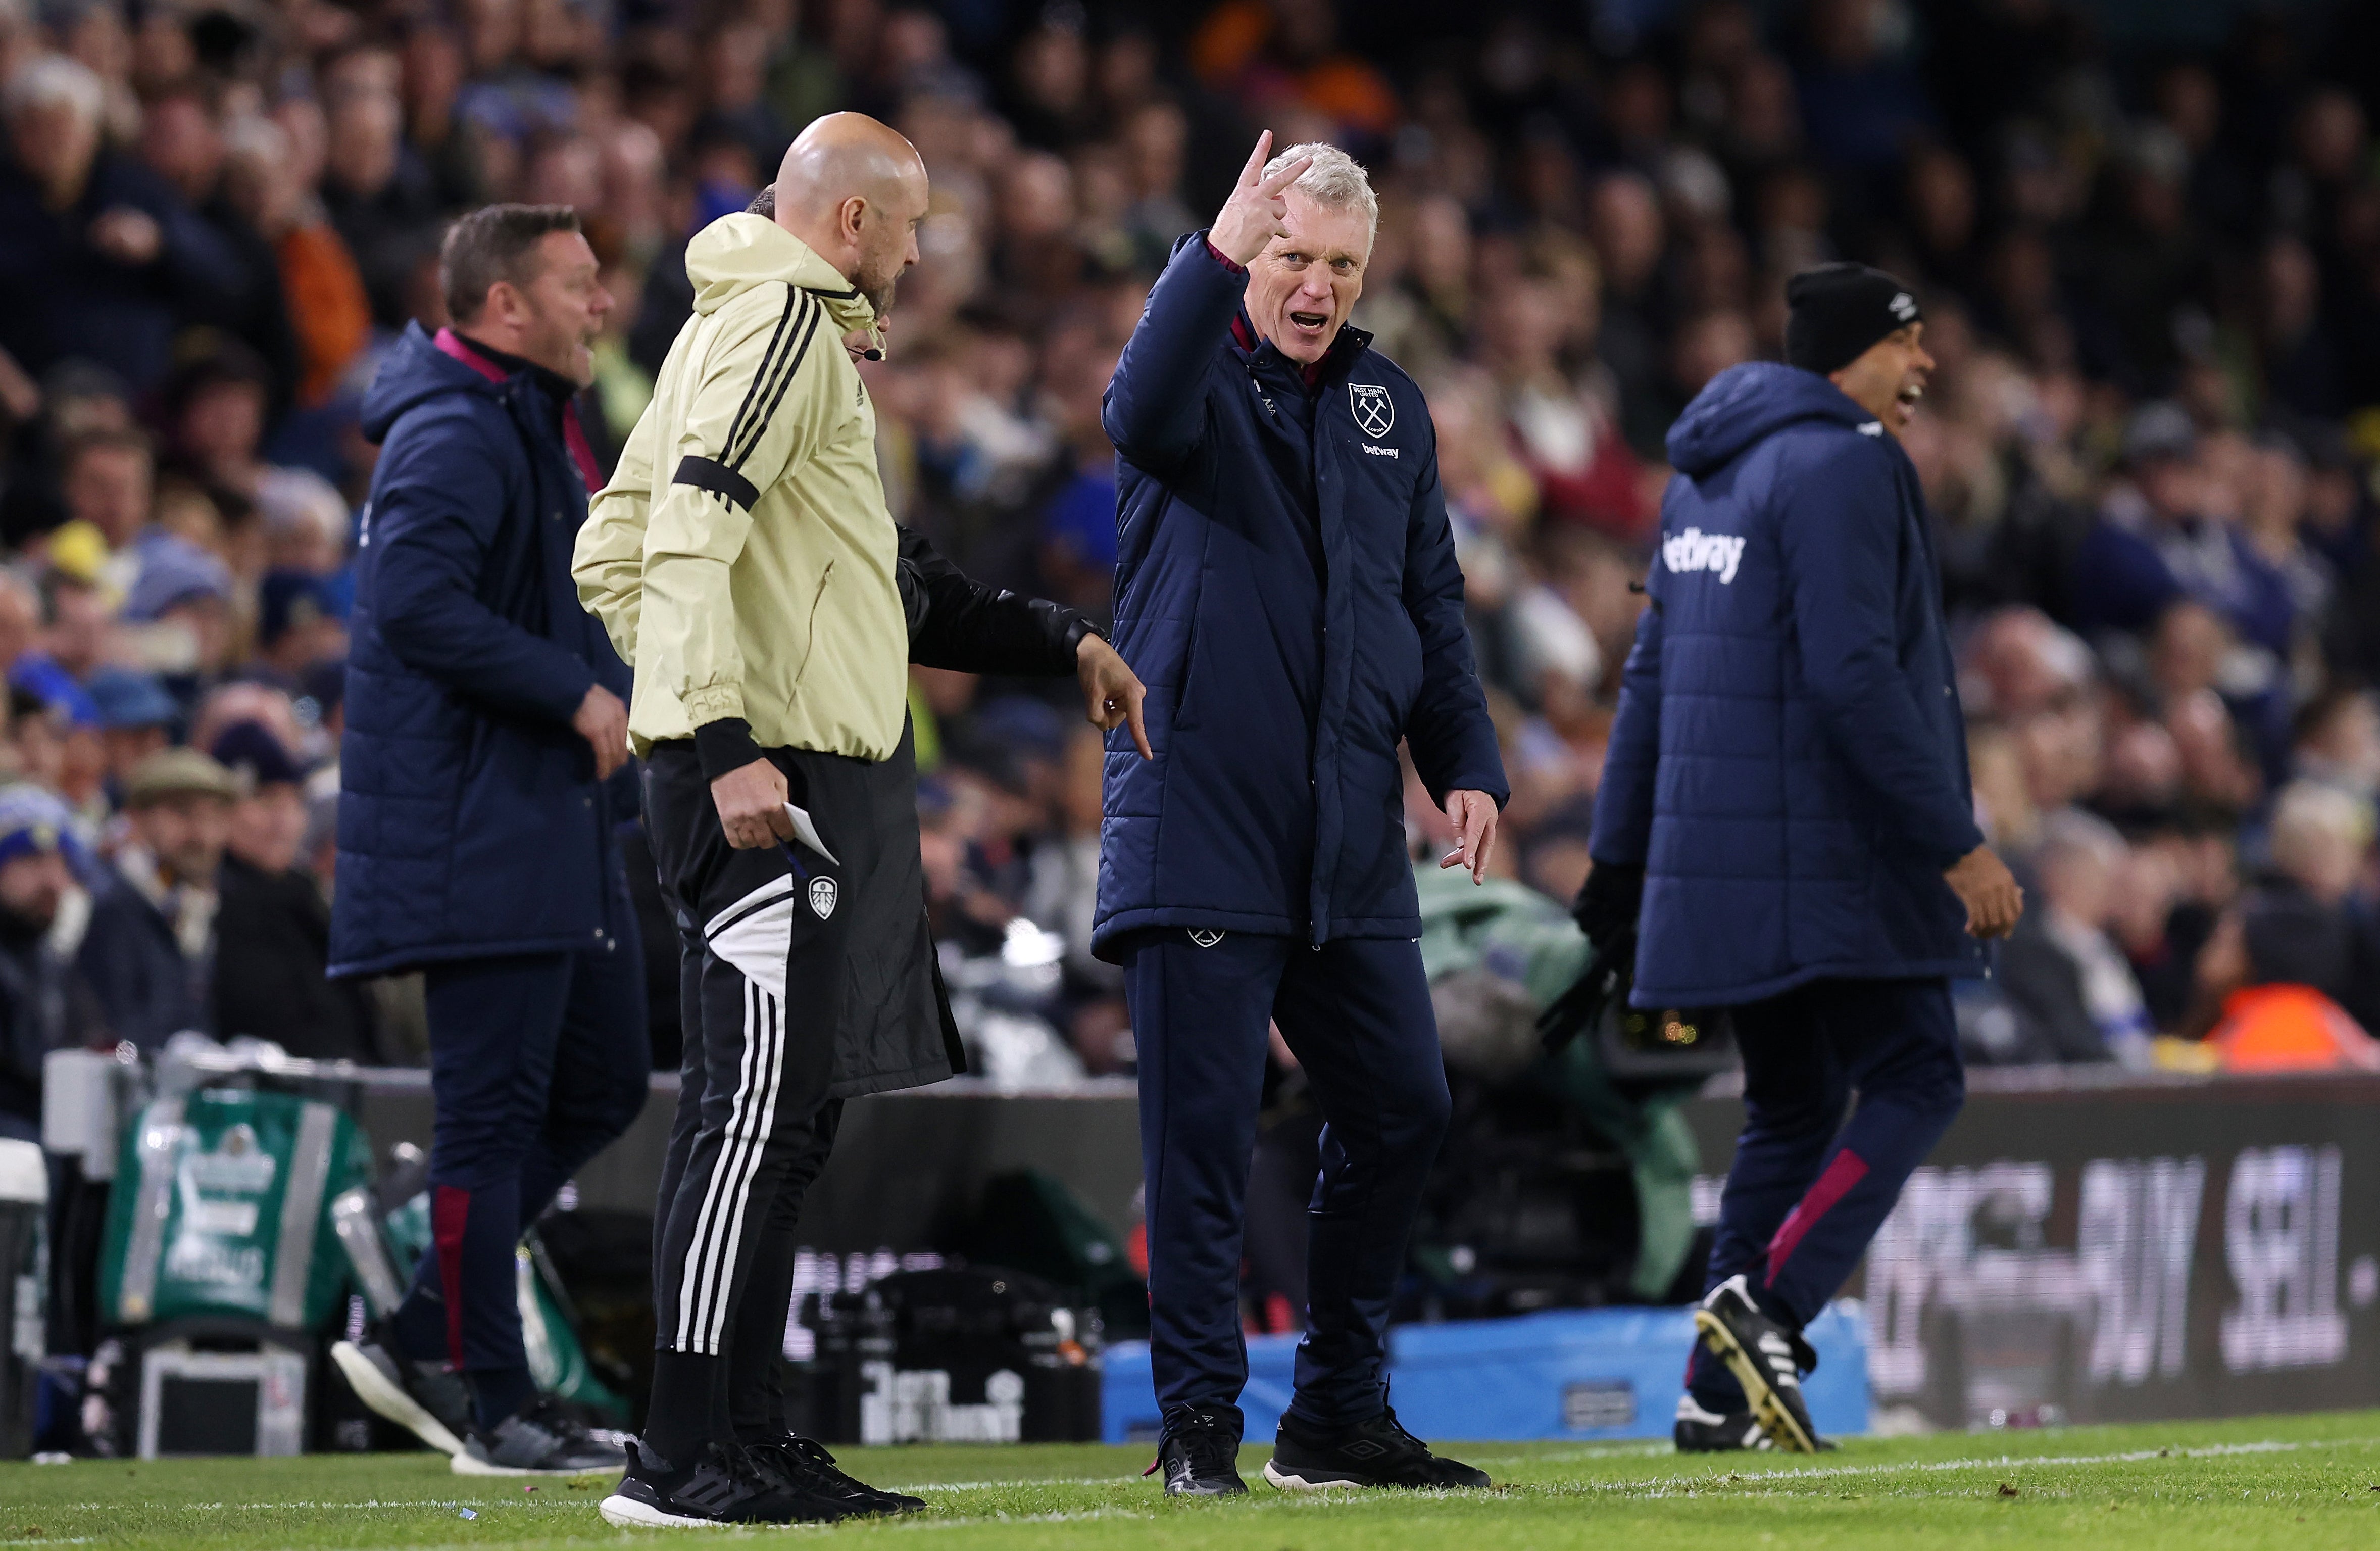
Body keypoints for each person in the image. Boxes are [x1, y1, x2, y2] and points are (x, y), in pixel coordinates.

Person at [575, 113, 1138, 1528]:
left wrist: (1057, 636)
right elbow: (686, 533)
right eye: (911, 223)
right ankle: (678, 1452)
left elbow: (621, 548)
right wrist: (720, 739)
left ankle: (748, 1431)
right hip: (768, 785)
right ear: (849, 224)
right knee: (753, 1113)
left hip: (798, 777)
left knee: (791, 1118)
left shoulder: (767, 336)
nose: (920, 249)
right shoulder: (776, 323)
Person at [1095, 133, 1508, 1496]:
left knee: (1402, 1105)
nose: (1315, 284)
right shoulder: (1195, 375)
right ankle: (1198, 1426)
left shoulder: (1392, 406)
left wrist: (1469, 761)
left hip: (1346, 832)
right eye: (1291, 257)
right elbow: (1134, 408)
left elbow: (1429, 607)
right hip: (1201, 810)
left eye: (1339, 263)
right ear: (1247, 257)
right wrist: (1211, 252)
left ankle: (1334, 1413)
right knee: (1203, 1137)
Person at [1578, 263, 2024, 1455]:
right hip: (1832, 860)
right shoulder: (1850, 463)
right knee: (1919, 1075)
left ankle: (1711, 1390)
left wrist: (1616, 863)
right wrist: (1959, 843)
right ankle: (1764, 1304)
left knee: (1791, 1105)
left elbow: (1651, 682)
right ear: (1848, 354)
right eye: (1908, 342)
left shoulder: (1700, 480)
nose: (1926, 365)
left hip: (1715, 869)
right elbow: (1852, 676)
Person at [325, 204, 645, 1478]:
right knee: (490, 1120)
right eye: (577, 284)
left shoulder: (525, 416)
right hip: (477, 824)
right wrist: (571, 691)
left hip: (552, 818)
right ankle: (488, 1397)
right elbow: (409, 602)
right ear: (504, 306)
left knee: (600, 1084)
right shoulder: (456, 428)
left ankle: (424, 1333)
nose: (601, 305)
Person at [210, 720, 376, 1061]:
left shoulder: (307, 898)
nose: (283, 823)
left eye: (293, 802)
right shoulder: (216, 903)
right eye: (266, 802)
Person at [77, 747, 236, 1048]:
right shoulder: (110, 905)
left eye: (214, 817)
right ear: (136, 818)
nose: (202, 836)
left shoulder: (204, 906)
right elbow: (116, 1039)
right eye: (183, 815)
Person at [0, 787, 100, 1143]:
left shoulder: (51, 957)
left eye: (59, 864)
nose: (52, 882)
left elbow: (96, 1042)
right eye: (31, 862)